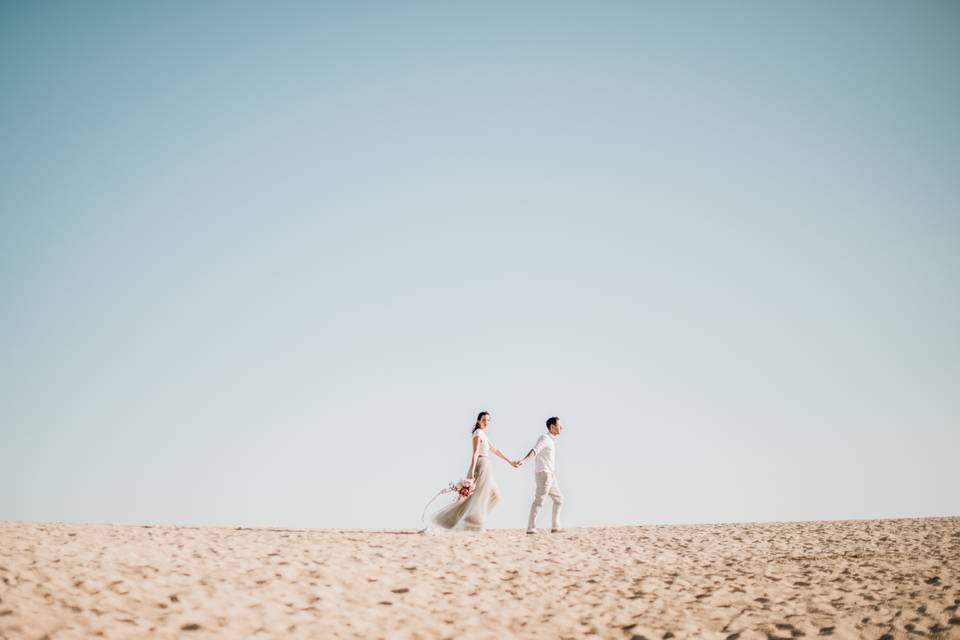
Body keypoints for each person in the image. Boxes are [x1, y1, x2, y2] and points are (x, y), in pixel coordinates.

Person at [430, 411, 518, 532]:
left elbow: (495, 450)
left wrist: (510, 461)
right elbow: (476, 452)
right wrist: (472, 471)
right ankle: (463, 522)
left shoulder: (484, 435)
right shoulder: (477, 433)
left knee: (496, 495)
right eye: (483, 420)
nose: (486, 422)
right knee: (476, 497)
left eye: (488, 420)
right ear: (478, 421)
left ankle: (473, 520)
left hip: (487, 465)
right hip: (481, 465)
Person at [515, 416, 564, 534]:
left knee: (559, 499)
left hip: (551, 475)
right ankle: (531, 527)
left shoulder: (551, 440)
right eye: (559, 425)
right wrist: (523, 460)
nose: (561, 428)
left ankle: (555, 526)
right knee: (539, 500)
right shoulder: (545, 438)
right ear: (552, 427)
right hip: (544, 474)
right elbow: (535, 450)